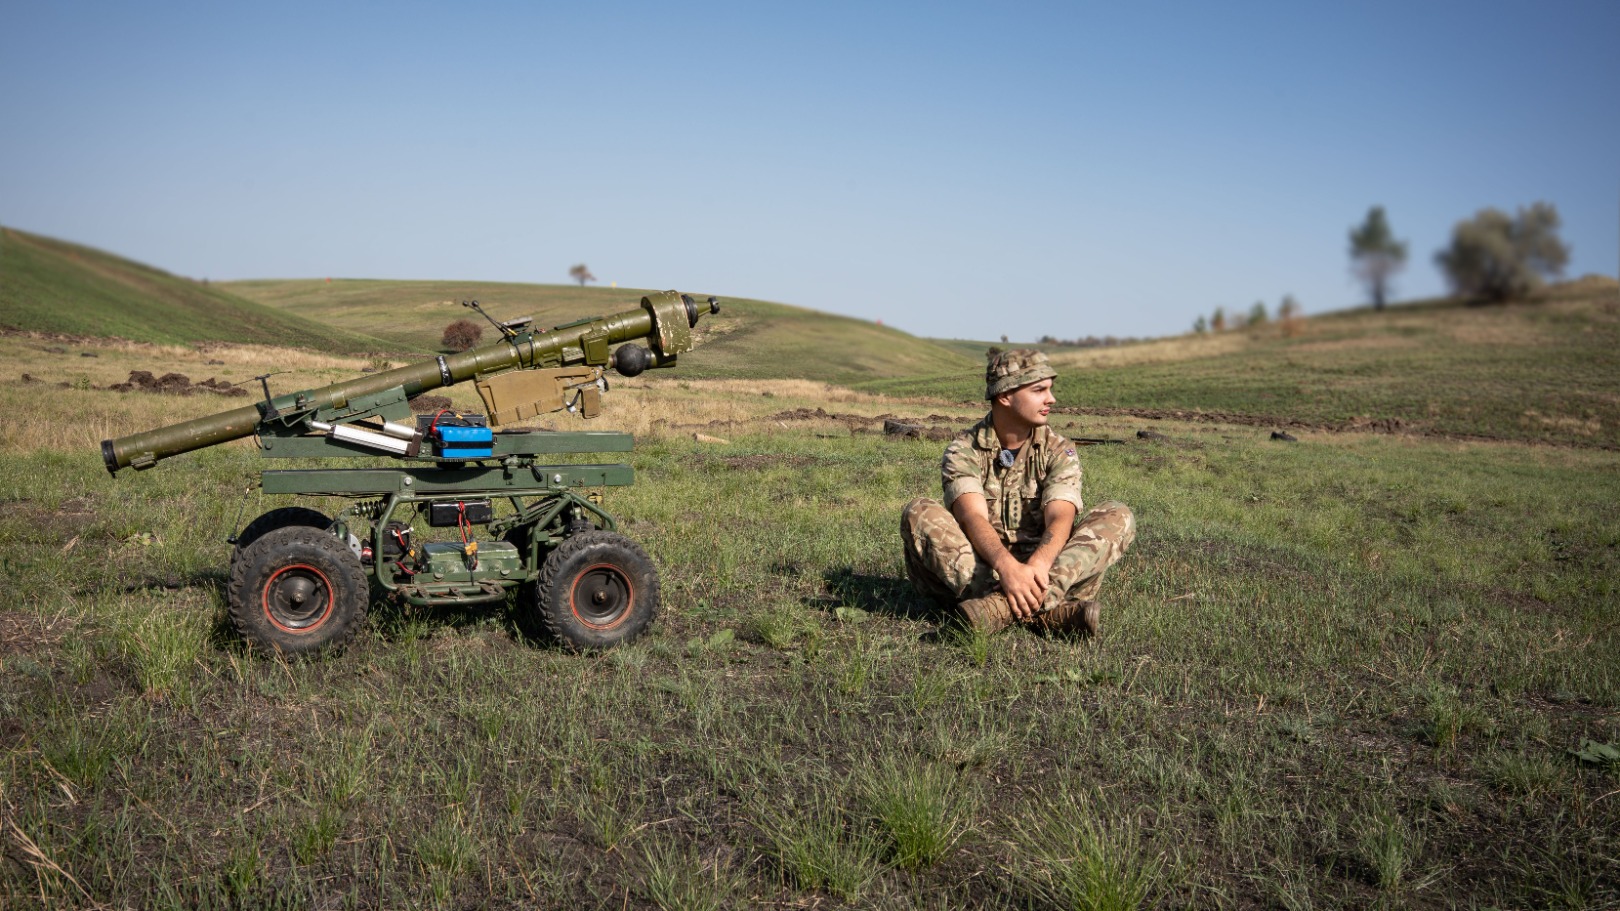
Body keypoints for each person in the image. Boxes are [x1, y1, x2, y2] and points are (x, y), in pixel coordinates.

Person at [900, 349, 1135, 635]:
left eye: (1050, 389)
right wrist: (1007, 569)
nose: (1051, 399)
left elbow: (1061, 516)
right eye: (1039, 390)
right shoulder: (963, 449)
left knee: (1118, 515)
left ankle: (1004, 607)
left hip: (1045, 570)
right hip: (981, 569)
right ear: (1005, 396)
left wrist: (1037, 566)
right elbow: (971, 517)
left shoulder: (1060, 449)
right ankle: (1048, 613)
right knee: (918, 511)